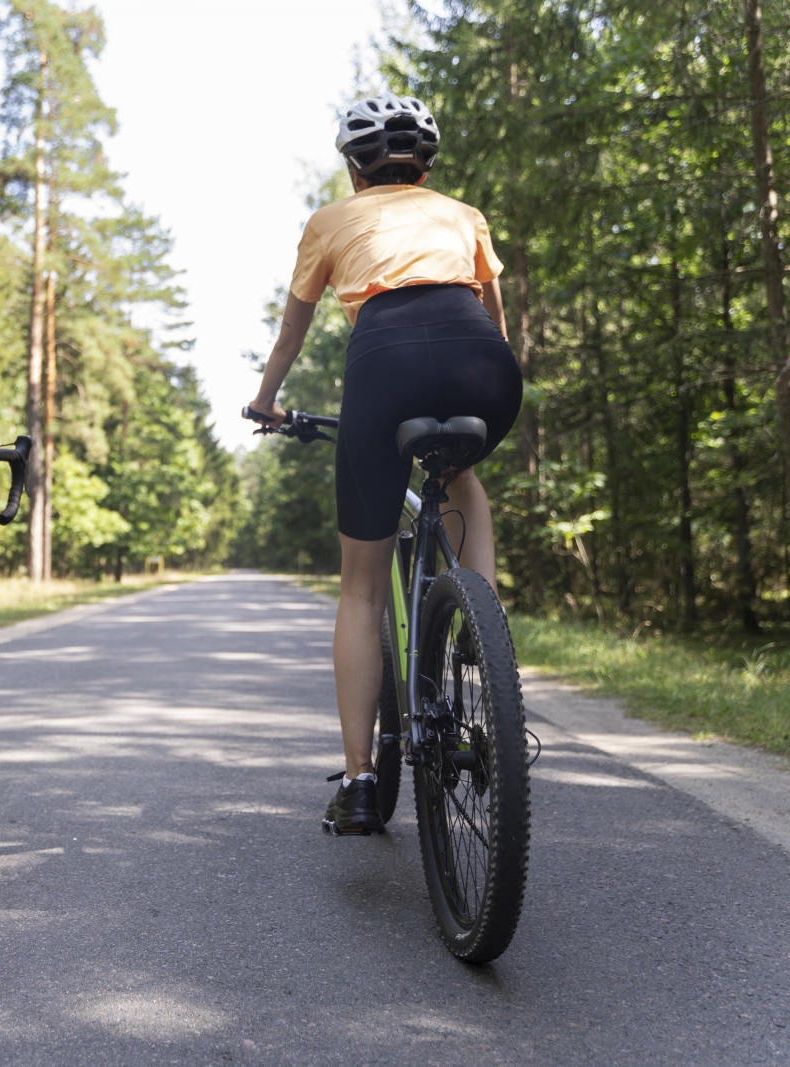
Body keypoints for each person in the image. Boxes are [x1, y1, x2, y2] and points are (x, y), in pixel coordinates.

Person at [245, 94, 521, 835]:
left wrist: (265, 402)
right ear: (425, 167)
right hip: (483, 367)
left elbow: (291, 333)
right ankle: (483, 632)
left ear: (354, 169)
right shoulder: (463, 215)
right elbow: (495, 319)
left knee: (361, 588)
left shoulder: (329, 221)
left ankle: (361, 781)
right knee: (461, 477)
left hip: (384, 364)